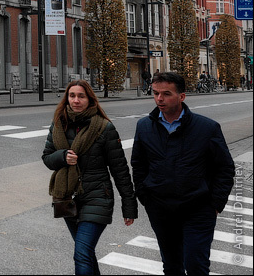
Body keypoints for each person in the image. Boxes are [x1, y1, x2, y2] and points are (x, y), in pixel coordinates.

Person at [131, 71, 235, 276]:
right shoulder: (144, 126)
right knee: (171, 265)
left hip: (198, 209)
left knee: (196, 265)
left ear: (182, 96)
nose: (159, 99)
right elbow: (139, 165)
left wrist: (215, 203)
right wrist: (146, 197)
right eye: (155, 93)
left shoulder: (207, 128)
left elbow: (224, 168)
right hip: (161, 209)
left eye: (166, 94)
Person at [43, 79, 136, 276]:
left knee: (82, 252)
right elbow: (47, 158)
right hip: (67, 198)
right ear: (67, 98)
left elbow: (120, 169)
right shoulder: (59, 124)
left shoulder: (104, 128)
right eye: (72, 96)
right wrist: (62, 156)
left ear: (90, 99)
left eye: (81, 96)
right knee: (85, 252)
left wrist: (129, 205)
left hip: (97, 196)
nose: (76, 100)